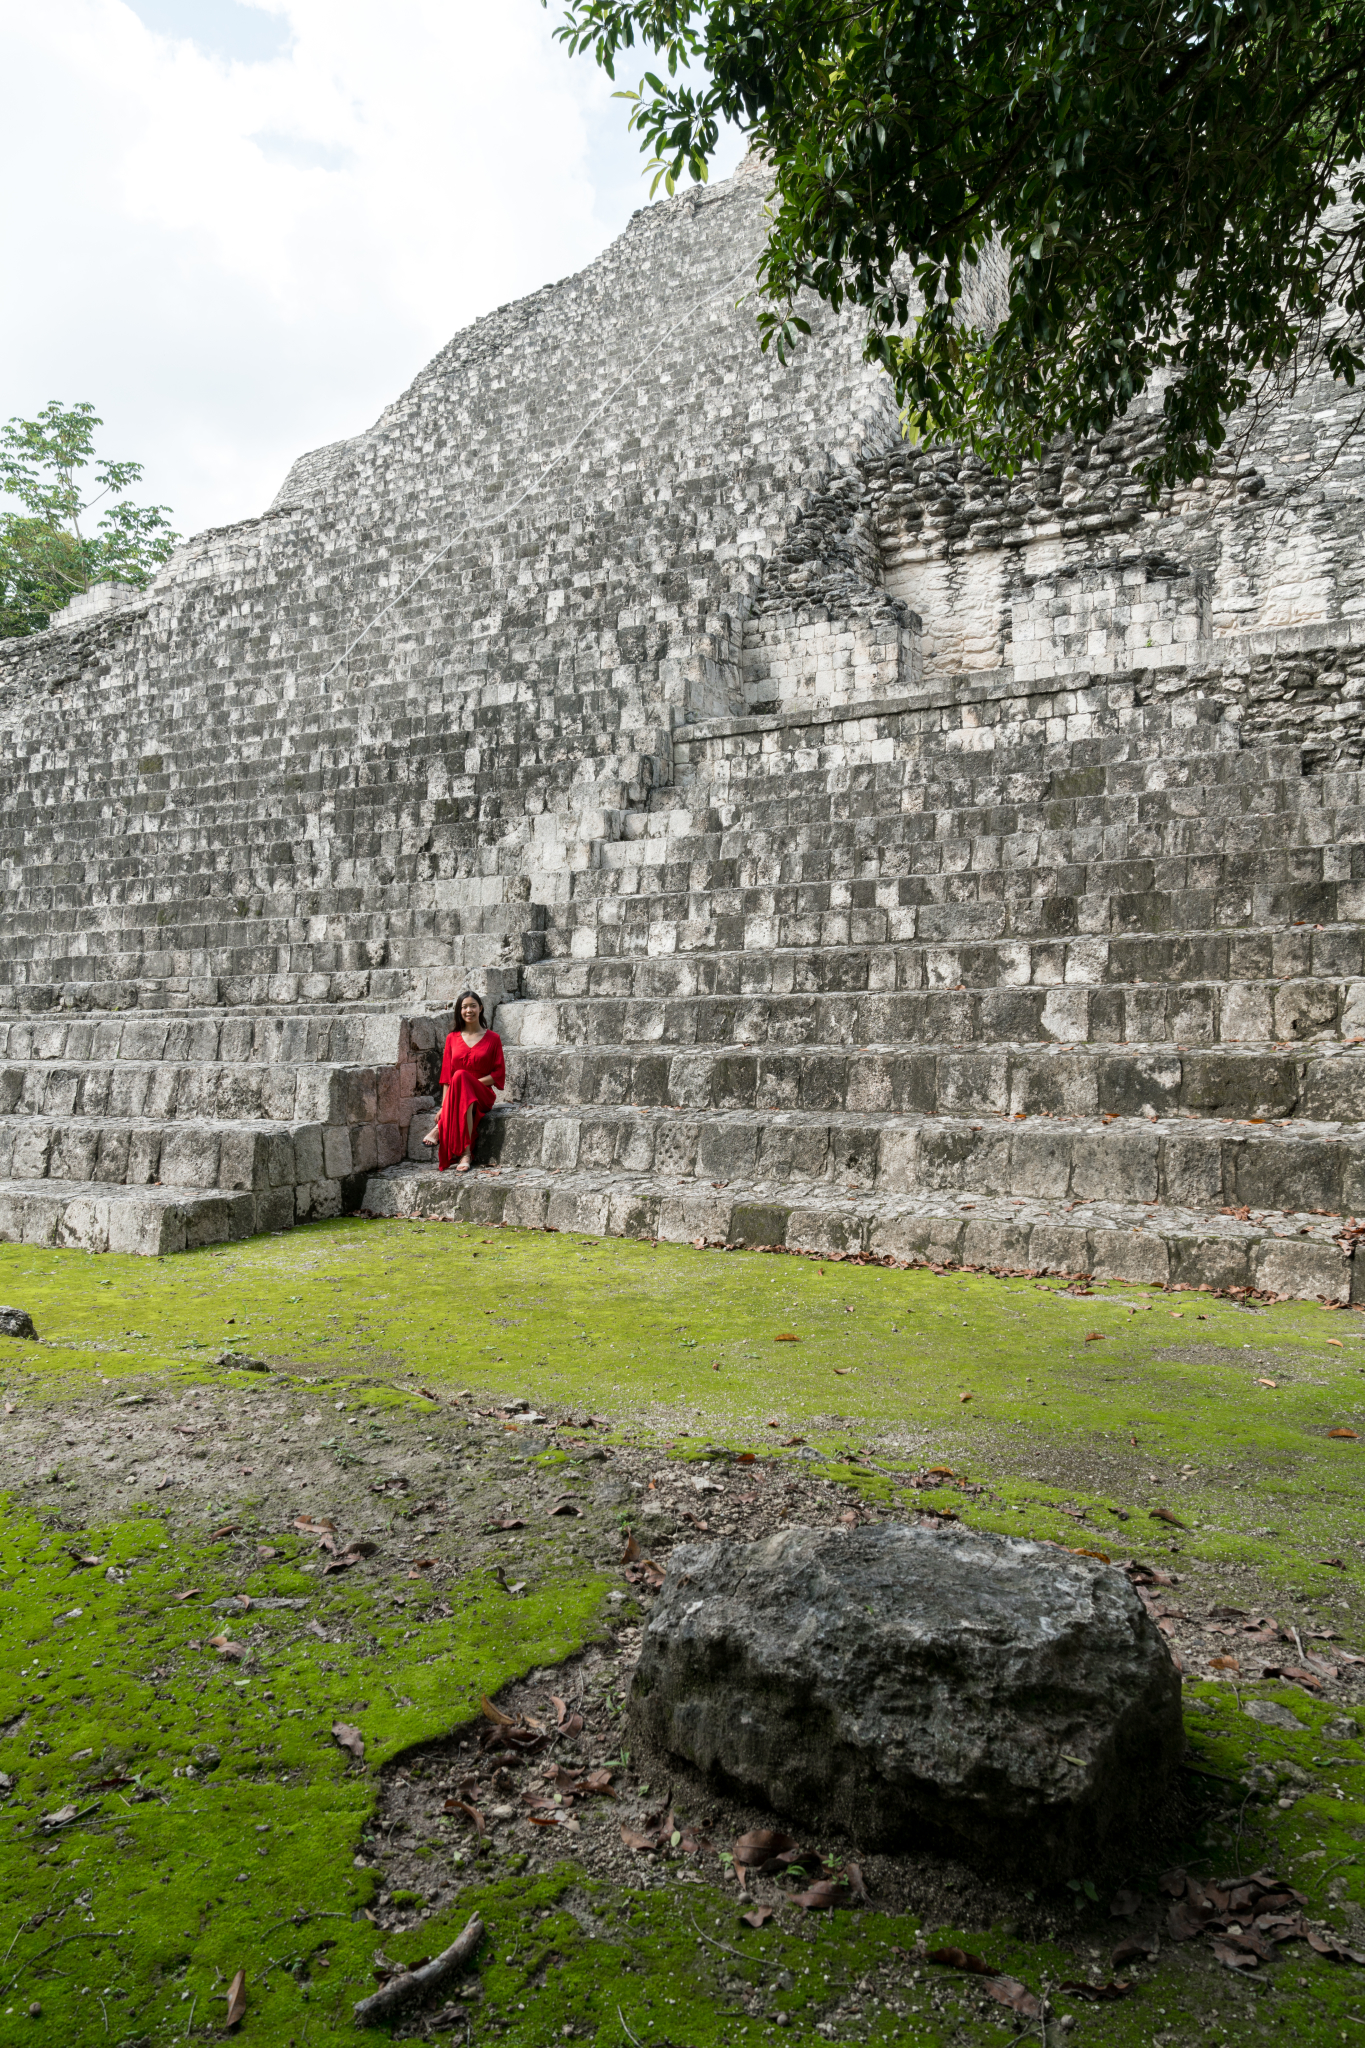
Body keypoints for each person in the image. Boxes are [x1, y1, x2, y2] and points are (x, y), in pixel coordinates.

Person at [421, 989, 505, 1174]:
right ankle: (466, 1154)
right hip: (458, 1095)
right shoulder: (452, 1038)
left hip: (482, 1094)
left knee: (460, 1076)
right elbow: (446, 1076)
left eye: (473, 1006)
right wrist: (444, 1106)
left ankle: (439, 1128)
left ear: (481, 1008)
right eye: (464, 1007)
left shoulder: (493, 1039)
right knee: (458, 1076)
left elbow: (498, 1074)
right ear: (459, 1011)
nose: (469, 1010)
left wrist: (469, 1083)